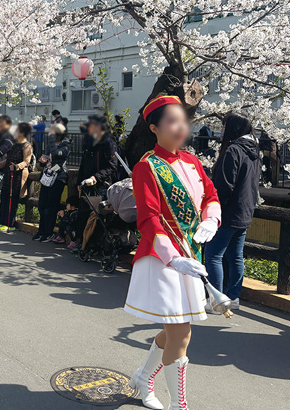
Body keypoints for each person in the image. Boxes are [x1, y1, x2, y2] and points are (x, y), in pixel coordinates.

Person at [124, 95, 221, 410]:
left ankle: (143, 377)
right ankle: (180, 404)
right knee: (181, 332)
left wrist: (211, 218)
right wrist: (172, 256)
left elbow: (210, 193)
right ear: (154, 127)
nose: (181, 127)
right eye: (172, 121)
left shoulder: (192, 161)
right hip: (164, 259)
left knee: (173, 329)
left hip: (189, 255)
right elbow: (149, 220)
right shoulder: (146, 167)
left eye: (184, 120)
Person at [204, 113, 260, 314]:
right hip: (244, 212)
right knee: (235, 257)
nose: (222, 128)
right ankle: (233, 296)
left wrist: (214, 206)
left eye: (224, 124)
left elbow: (225, 185)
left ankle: (215, 299)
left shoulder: (233, 151)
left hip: (227, 212)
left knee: (213, 255)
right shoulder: (254, 151)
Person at [70, 114, 118, 250]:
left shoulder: (108, 142)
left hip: (101, 185)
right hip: (87, 186)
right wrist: (79, 182)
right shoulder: (89, 142)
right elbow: (83, 163)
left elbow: (112, 166)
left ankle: (94, 245)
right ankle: (82, 243)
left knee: (96, 217)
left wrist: (96, 177)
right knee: (83, 215)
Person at [0, 122, 33, 233]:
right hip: (8, 173)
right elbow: (7, 159)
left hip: (17, 175)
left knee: (12, 199)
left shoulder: (27, 145)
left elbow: (26, 161)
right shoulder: (13, 144)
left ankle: (9, 223)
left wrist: (16, 167)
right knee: (4, 196)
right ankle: (1, 221)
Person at [35, 123, 70, 242]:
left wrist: (51, 142)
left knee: (51, 207)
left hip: (58, 178)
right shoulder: (51, 145)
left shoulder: (66, 144)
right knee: (42, 206)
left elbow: (57, 154)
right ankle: (41, 231)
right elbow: (46, 159)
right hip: (47, 177)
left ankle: (49, 232)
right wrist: (42, 160)